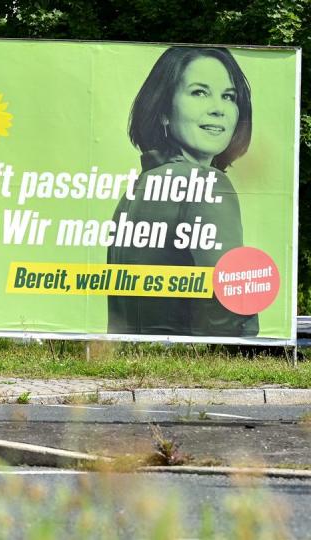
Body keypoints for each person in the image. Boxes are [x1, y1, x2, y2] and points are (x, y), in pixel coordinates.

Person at [107, 46, 257, 337]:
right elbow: (229, 304)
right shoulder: (206, 183)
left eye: (228, 96)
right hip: (194, 364)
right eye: (199, 92)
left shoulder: (134, 194)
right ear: (164, 112)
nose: (218, 108)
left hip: (134, 360)